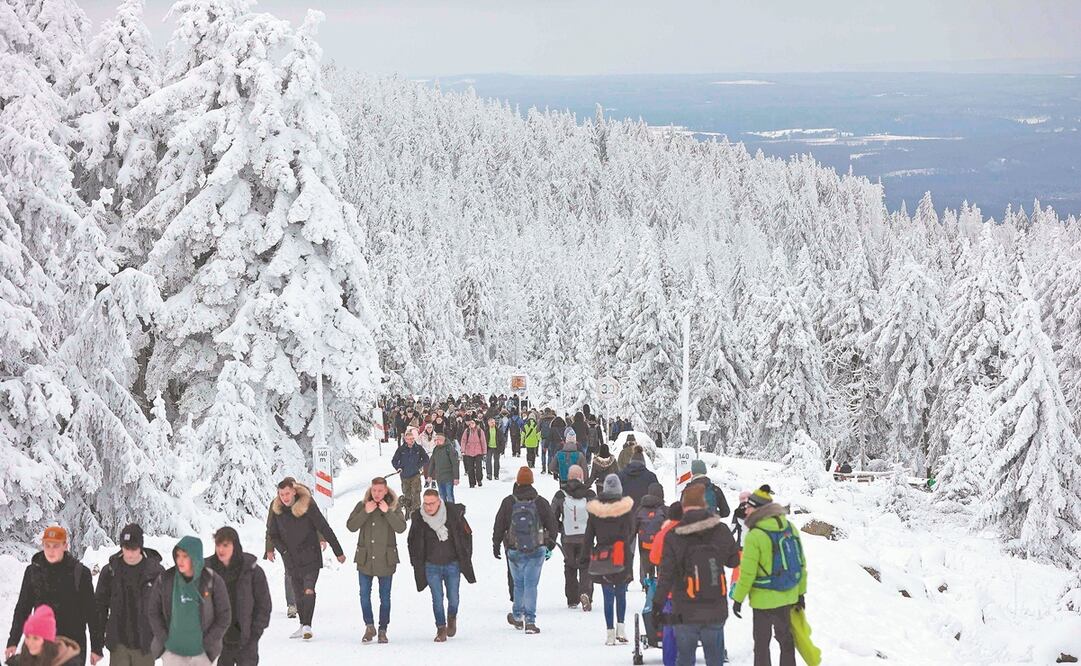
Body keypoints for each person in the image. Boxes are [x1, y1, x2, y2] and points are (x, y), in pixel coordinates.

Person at [652, 485, 740, 666]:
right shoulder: (721, 529)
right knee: (715, 660)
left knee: (684, 659)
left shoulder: (673, 535)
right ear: (704, 504)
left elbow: (666, 575)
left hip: (684, 610)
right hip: (715, 607)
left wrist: (657, 604)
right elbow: (733, 561)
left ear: (684, 506)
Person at [730, 488, 807, 666]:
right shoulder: (789, 527)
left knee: (762, 644)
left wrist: (738, 598)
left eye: (749, 506)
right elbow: (800, 563)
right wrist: (800, 593)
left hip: (763, 598)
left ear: (758, 509)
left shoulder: (754, 535)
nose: (746, 510)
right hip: (788, 593)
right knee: (786, 640)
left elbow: (747, 573)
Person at [6, 526, 102, 666]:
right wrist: (13, 641)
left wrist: (96, 647)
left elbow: (92, 613)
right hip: (41, 645)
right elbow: (22, 608)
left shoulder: (80, 573)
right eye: (47, 545)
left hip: (72, 647)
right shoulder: (34, 571)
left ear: (65, 546)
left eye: (56, 546)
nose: (51, 550)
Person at [266, 477, 346, 641]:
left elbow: (324, 527)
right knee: (298, 593)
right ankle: (303, 625)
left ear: (294, 491)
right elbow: (272, 534)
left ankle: (307, 625)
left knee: (309, 589)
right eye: (282, 495)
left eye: (287, 493)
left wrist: (338, 551)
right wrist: (283, 552)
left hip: (310, 555)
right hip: (291, 558)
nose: (285, 498)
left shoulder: (307, 505)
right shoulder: (277, 510)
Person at [492, 467, 558, 634]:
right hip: (537, 549)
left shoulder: (509, 502)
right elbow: (552, 524)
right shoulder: (540, 501)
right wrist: (549, 545)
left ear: (518, 481)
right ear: (532, 482)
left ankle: (517, 615)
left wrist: (496, 544)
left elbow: (499, 524)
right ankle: (530, 621)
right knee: (531, 584)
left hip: (514, 549)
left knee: (519, 584)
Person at [148, 536, 231, 665]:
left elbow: (224, 615)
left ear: (195, 557)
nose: (180, 560)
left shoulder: (212, 580)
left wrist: (207, 642)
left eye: (185, 556)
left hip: (202, 654)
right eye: (178, 555)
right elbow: (153, 611)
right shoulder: (165, 579)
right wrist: (164, 638)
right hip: (173, 653)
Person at [407, 489, 476, 642]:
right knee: (437, 598)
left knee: (454, 598)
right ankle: (441, 628)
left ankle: (452, 617)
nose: (429, 507)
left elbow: (466, 536)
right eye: (426, 504)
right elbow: (412, 541)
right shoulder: (419, 518)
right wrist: (416, 562)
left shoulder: (452, 514)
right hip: (431, 566)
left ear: (439, 501)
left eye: (432, 503)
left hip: (452, 564)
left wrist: (465, 556)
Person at [346, 477, 407, 644]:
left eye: (380, 490)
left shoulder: (394, 506)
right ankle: (369, 626)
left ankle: (383, 629)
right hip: (365, 559)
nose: (377, 493)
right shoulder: (362, 505)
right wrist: (365, 511)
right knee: (364, 595)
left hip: (386, 560)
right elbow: (351, 526)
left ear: (386, 490)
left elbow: (401, 528)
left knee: (385, 597)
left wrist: (388, 511)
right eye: (374, 490)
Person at [94, 524, 164, 666]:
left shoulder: (156, 572)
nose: (130, 554)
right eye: (126, 548)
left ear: (141, 547)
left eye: (134, 549)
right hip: (118, 644)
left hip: (145, 644)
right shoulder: (110, 571)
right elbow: (99, 609)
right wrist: (97, 644)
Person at [580, 474, 636, 646]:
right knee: (621, 592)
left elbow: (589, 536)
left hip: (603, 555)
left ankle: (610, 633)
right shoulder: (625, 509)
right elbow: (631, 531)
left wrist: (584, 558)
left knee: (607, 595)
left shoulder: (596, 512)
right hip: (621, 554)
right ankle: (621, 629)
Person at [204, 528, 271, 666]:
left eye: (225, 545)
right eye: (218, 545)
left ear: (235, 545)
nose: (221, 550)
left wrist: (255, 634)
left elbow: (263, 605)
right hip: (219, 642)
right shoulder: (207, 572)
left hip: (246, 641)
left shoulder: (253, 572)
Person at [550, 465, 596, 611]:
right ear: (582, 477)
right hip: (585, 537)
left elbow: (552, 516)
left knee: (569, 566)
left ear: (568, 477)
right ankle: (585, 593)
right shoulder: (589, 494)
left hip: (568, 537)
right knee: (586, 565)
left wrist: (559, 529)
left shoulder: (560, 494)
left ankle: (572, 599)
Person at [650, 502, 684, 666]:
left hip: (669, 589)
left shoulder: (663, 534)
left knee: (669, 628)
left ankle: (670, 662)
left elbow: (654, 558)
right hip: (689, 589)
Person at [7, 605, 81, 666]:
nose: (30, 642)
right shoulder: (24, 658)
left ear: (47, 641)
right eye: (27, 637)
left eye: (36, 638)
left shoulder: (68, 662)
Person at [392, 427, 430, 519]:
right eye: (409, 439)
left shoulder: (418, 448)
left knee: (416, 493)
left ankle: (416, 512)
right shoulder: (401, 449)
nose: (411, 440)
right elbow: (394, 460)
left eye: (413, 438)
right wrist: (398, 467)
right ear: (405, 439)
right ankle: (408, 511)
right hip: (404, 475)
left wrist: (419, 465)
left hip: (415, 475)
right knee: (407, 494)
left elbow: (426, 458)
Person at [635, 483, 668, 584]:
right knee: (661, 571)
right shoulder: (665, 510)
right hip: (661, 547)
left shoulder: (640, 510)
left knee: (648, 570)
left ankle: (648, 589)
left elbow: (633, 528)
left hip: (645, 546)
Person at [428, 431, 460, 503]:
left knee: (449, 496)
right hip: (439, 477)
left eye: (438, 439)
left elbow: (455, 464)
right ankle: (444, 510)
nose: (436, 441)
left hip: (448, 477)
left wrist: (456, 478)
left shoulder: (449, 448)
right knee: (442, 496)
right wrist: (429, 475)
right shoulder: (435, 449)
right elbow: (432, 463)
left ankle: (451, 511)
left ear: (443, 439)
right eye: (435, 440)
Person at [460, 418, 486, 488]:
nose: (471, 424)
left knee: (478, 467)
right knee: (470, 468)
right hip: (469, 451)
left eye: (473, 423)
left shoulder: (480, 431)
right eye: (470, 423)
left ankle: (479, 479)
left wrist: (484, 452)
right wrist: (463, 450)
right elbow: (463, 441)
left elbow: (483, 441)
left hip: (478, 451)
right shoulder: (467, 431)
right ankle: (472, 483)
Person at [485, 416, 506, 481]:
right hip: (489, 448)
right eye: (491, 422)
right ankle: (489, 474)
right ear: (488, 423)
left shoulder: (498, 431)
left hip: (497, 448)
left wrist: (502, 449)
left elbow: (502, 440)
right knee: (488, 461)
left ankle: (496, 475)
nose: (493, 423)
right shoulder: (486, 431)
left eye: (494, 422)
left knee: (496, 461)